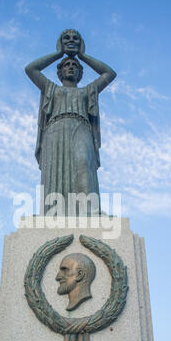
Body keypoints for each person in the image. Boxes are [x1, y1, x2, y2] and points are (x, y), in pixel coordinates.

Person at [25, 29, 116, 215]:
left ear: (80, 72)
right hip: (55, 131)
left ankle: (90, 210)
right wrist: (59, 53)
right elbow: (30, 69)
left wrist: (82, 55)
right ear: (59, 72)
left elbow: (109, 73)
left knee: (83, 163)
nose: (71, 67)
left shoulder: (87, 91)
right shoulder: (51, 88)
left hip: (80, 127)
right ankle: (53, 211)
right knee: (55, 171)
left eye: (74, 66)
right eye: (66, 65)